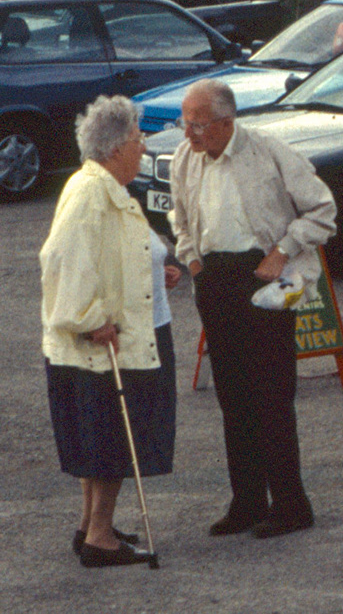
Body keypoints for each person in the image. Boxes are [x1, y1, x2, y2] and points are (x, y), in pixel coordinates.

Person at [172, 78, 332, 538]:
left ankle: (291, 505)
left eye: (197, 126)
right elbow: (179, 216)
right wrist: (194, 261)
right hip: (214, 279)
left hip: (263, 278)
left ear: (226, 122)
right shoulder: (187, 157)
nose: (189, 135)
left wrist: (283, 251)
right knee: (231, 396)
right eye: (186, 125)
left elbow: (322, 209)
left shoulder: (268, 151)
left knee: (272, 395)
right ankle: (247, 502)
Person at [40, 95, 171, 567]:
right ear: (117, 147)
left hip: (119, 336)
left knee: (103, 438)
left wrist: (159, 272)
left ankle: (91, 526)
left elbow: (113, 256)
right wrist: (91, 317)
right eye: (138, 139)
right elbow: (63, 259)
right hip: (106, 342)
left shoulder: (105, 187)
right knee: (114, 438)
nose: (143, 147)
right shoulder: (92, 191)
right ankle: (99, 538)